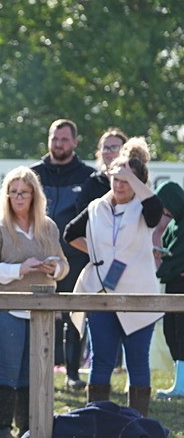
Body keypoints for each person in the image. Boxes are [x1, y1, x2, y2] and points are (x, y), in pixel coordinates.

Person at [64, 139, 163, 414]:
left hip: (138, 295)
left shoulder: (144, 207)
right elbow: (70, 233)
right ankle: (95, 419)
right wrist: (97, 255)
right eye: (116, 179)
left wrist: (132, 175)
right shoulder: (96, 207)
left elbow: (156, 214)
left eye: (126, 181)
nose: (120, 185)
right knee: (102, 361)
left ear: (137, 183)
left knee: (137, 362)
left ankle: (138, 422)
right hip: (104, 293)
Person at [0, 167, 68, 438]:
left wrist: (54, 268)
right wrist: (20, 269)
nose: (18, 197)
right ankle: (1, 431)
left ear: (33, 196)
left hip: (39, 307)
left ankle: (28, 430)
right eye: (14, 192)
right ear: (7, 195)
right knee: (8, 366)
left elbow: (64, 265)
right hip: (4, 305)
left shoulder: (48, 227)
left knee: (34, 368)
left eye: (24, 193)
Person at [30, 119, 95, 391]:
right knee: (33, 315)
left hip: (74, 259)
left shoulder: (88, 177)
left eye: (64, 139)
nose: (59, 144)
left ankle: (72, 373)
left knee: (74, 316)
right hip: (37, 259)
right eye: (55, 139)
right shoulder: (33, 174)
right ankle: (33, 373)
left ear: (75, 142)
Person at [153, 179, 184, 399]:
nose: (164, 212)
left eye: (166, 207)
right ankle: (179, 380)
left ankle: (181, 384)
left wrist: (167, 265)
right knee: (170, 332)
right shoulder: (174, 224)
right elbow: (170, 256)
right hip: (173, 284)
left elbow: (176, 259)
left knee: (181, 333)